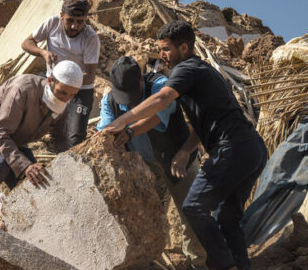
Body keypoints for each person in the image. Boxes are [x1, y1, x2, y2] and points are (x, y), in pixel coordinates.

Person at [102, 20, 267, 270]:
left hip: (231, 149)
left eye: (166, 49)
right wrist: (186, 150)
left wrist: (124, 122)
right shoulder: (201, 73)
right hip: (252, 149)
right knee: (226, 217)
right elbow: (205, 124)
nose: (162, 55)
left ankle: (222, 266)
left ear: (185, 47)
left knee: (193, 206)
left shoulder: (186, 69)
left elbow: (163, 98)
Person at [96, 56, 207, 267]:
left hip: (178, 157)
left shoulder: (160, 85)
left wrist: (129, 130)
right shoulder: (109, 101)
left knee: (192, 212)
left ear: (141, 80)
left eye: (133, 95)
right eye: (124, 98)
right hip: (143, 167)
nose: (129, 102)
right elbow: (106, 131)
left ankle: (199, 262)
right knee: (144, 220)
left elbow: (158, 115)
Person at [0, 60, 83, 219]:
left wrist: (71, 161)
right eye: (63, 92)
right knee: (1, 164)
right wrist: (25, 165)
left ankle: (14, 223)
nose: (67, 99)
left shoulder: (62, 108)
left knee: (37, 180)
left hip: (12, 138)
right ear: (51, 80)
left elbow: (60, 139)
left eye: (72, 95)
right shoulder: (23, 88)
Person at [22, 0, 99, 148]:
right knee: (37, 119)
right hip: (52, 83)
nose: (74, 26)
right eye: (69, 20)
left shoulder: (90, 38)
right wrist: (43, 53)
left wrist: (67, 85)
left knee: (75, 138)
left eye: (80, 22)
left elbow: (90, 76)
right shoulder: (52, 24)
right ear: (61, 16)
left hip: (80, 90)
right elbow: (26, 43)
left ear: (86, 19)